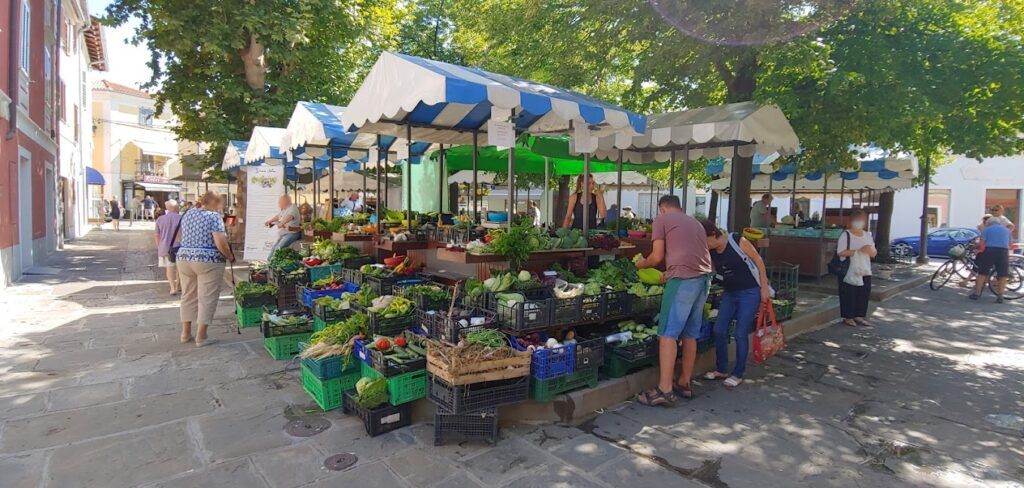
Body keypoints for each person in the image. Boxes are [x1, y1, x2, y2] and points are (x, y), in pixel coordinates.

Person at [635, 195, 713, 405]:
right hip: (703, 280)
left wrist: (642, 264)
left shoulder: (661, 220)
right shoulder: (695, 222)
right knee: (690, 334)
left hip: (683, 282)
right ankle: (684, 383)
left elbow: (657, 256)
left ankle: (664, 390)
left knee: (667, 334)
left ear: (662, 208)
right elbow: (692, 253)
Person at [701, 220, 771, 389]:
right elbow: (712, 271)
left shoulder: (736, 239)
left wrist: (764, 288)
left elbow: (758, 260)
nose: (704, 245)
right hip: (730, 293)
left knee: (740, 332)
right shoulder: (711, 251)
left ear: (712, 234)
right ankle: (722, 369)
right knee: (719, 329)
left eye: (705, 240)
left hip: (750, 292)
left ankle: (738, 372)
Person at [176, 192, 235, 347]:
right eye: (220, 203)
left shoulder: (188, 213)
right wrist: (229, 256)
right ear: (214, 202)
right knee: (207, 297)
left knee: (188, 295)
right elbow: (220, 242)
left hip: (184, 258)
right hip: (208, 260)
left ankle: (185, 333)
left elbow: (179, 238)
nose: (221, 206)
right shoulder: (213, 217)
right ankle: (201, 336)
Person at [837, 209, 877, 326]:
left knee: (863, 292)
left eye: (862, 220)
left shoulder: (867, 235)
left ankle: (859, 315)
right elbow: (841, 252)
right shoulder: (846, 235)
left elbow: (874, 252)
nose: (859, 222)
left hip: (864, 267)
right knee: (849, 292)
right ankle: (848, 316)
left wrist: (869, 250)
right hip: (849, 268)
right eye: (857, 220)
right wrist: (856, 251)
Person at [971, 219, 1011, 303]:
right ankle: (1000, 296)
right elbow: (1010, 243)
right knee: (1002, 275)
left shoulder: (986, 230)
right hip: (1003, 251)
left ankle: (977, 293)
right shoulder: (1007, 230)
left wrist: (976, 247)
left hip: (990, 251)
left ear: (988, 224)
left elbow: (981, 244)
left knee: (982, 273)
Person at [154, 200, 183, 295]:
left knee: (169, 269)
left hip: (165, 247)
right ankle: (178, 285)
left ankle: (172, 287)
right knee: (180, 269)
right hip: (180, 247)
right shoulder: (182, 218)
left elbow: (157, 235)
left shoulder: (160, 219)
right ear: (176, 208)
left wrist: (159, 246)